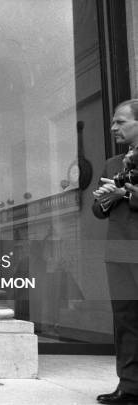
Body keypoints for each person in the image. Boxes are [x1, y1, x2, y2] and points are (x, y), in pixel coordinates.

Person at [93, 99, 138, 405]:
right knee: (125, 319)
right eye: (112, 122)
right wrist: (107, 199)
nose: (113, 128)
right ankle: (130, 386)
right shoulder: (112, 164)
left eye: (120, 122)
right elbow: (97, 209)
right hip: (119, 251)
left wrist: (127, 192)